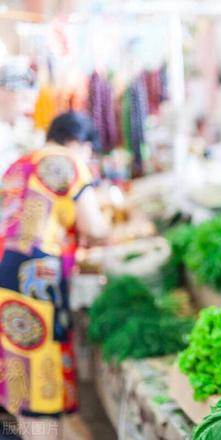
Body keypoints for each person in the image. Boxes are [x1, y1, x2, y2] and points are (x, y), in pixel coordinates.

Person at [0, 112, 110, 440]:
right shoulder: (69, 162)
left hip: (5, 270)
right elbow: (95, 227)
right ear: (78, 142)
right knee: (38, 379)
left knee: (15, 371)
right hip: (32, 278)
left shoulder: (19, 164)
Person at [0, 58, 38, 178]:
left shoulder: (18, 131)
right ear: (2, 93)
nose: (30, 109)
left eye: (33, 102)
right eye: (24, 99)